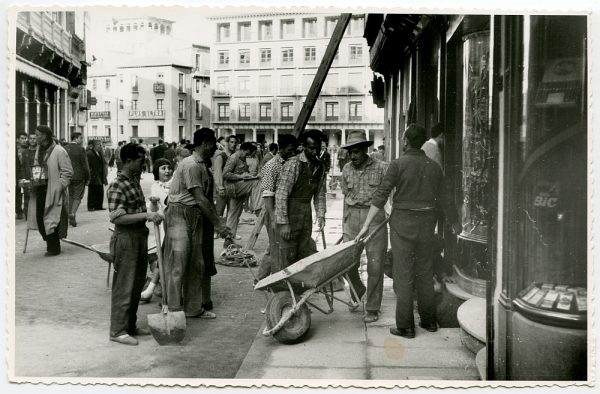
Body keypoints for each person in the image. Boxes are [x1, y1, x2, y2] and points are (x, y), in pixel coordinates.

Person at [355, 124, 460, 339]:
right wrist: (454, 222)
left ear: (405, 141)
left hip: (402, 225)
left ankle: (405, 326)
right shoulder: (434, 167)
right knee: (425, 271)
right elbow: (446, 199)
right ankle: (429, 321)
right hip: (426, 225)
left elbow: (381, 195)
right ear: (421, 141)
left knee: (403, 274)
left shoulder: (397, 164)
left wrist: (366, 225)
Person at [162, 128, 231, 318]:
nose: (215, 149)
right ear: (206, 143)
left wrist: (217, 222)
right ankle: (174, 310)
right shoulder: (191, 164)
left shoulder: (202, 165)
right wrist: (219, 224)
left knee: (196, 263)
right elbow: (200, 199)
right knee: (178, 262)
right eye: (213, 145)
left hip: (195, 215)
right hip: (179, 214)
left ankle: (193, 308)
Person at [107, 143, 162, 346]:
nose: (144, 164)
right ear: (128, 161)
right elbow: (117, 217)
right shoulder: (117, 184)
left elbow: (134, 211)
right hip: (126, 239)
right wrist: (147, 214)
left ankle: (129, 326)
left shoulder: (133, 181)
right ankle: (117, 330)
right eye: (140, 161)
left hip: (139, 237)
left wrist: (151, 205)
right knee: (124, 286)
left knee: (136, 284)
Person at [340, 131, 389, 322]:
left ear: (365, 150)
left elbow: (391, 193)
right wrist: (344, 221)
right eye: (350, 152)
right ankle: (358, 289)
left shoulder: (382, 168)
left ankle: (372, 308)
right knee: (345, 263)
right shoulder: (346, 169)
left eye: (357, 152)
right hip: (352, 218)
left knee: (375, 265)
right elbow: (345, 196)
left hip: (374, 217)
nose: (353, 156)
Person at [275, 129, 326, 269]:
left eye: (317, 148)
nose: (315, 152)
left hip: (306, 213)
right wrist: (284, 223)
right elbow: (281, 195)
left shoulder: (320, 166)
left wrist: (321, 215)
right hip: (290, 212)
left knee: (303, 251)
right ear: (303, 146)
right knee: (287, 253)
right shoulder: (293, 164)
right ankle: (284, 287)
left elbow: (320, 194)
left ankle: (299, 286)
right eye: (311, 148)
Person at [26, 125, 73, 256]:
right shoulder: (38, 150)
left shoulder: (59, 150)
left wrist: (60, 186)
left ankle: (53, 247)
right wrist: (33, 179)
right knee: (40, 218)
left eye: (38, 135)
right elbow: (37, 168)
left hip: (53, 189)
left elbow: (68, 172)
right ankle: (50, 242)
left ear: (45, 136)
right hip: (40, 188)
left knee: (52, 219)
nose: (36, 138)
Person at [257, 134, 299, 280]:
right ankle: (276, 281)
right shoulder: (272, 166)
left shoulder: (292, 163)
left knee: (275, 245)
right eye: (289, 150)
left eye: (294, 150)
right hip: (273, 210)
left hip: (288, 210)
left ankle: (260, 278)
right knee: (276, 248)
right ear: (280, 149)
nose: (292, 153)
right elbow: (267, 195)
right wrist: (274, 217)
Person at [140, 158, 173, 303]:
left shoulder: (176, 183)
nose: (167, 171)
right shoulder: (155, 186)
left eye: (169, 168)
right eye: (163, 168)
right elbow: (154, 210)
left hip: (175, 224)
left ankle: (152, 288)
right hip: (163, 227)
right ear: (156, 171)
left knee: (167, 258)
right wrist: (153, 202)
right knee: (161, 257)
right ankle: (157, 286)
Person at [222, 142, 260, 242]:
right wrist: (241, 176)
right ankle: (256, 207)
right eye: (246, 153)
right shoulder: (234, 158)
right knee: (256, 182)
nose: (247, 156)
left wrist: (247, 175)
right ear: (242, 150)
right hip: (232, 187)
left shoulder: (243, 158)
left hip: (238, 187)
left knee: (234, 214)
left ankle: (229, 239)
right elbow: (225, 174)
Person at [63, 132, 90, 226]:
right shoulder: (81, 149)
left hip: (67, 176)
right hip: (79, 176)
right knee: (78, 196)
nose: (82, 140)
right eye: (81, 138)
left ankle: (70, 213)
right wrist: (88, 177)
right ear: (76, 138)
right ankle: (72, 213)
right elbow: (85, 165)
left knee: (70, 195)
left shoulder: (65, 148)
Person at [213, 135, 237, 218]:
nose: (234, 144)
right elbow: (217, 173)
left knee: (231, 214)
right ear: (227, 143)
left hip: (233, 189)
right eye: (231, 142)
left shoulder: (235, 157)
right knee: (218, 213)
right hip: (223, 189)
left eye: (235, 143)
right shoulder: (221, 157)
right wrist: (220, 187)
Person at [87, 140, 108, 211]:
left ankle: (98, 206)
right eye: (98, 145)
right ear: (94, 146)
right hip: (93, 175)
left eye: (100, 145)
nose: (100, 146)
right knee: (92, 191)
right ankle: (91, 206)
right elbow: (88, 165)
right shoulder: (89, 154)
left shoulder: (99, 153)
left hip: (100, 175)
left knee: (100, 191)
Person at [16, 132, 29, 219]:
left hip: (25, 173)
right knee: (18, 193)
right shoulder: (14, 149)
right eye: (22, 138)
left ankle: (26, 211)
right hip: (17, 174)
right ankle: (19, 211)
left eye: (25, 138)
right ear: (17, 139)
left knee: (27, 192)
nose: (24, 140)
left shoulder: (27, 149)